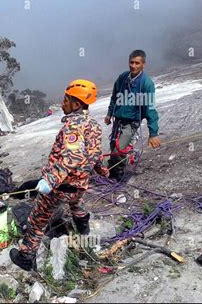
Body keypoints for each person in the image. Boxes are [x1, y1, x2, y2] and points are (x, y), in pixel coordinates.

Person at [9, 79, 109, 271]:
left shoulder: (73, 126)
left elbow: (72, 156)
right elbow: (95, 153)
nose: (62, 104)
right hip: (80, 184)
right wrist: (101, 170)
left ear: (76, 104)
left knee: (37, 219)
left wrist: (49, 180)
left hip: (61, 186)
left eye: (65, 100)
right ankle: (83, 226)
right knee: (76, 204)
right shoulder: (94, 125)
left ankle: (26, 256)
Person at [105, 49, 160, 181]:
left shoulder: (146, 83)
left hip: (131, 122)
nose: (133, 66)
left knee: (119, 149)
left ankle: (117, 174)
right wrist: (109, 113)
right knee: (113, 145)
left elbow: (150, 109)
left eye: (137, 63)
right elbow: (114, 97)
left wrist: (153, 134)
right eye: (131, 62)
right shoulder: (123, 77)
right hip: (118, 119)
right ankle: (113, 168)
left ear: (143, 64)